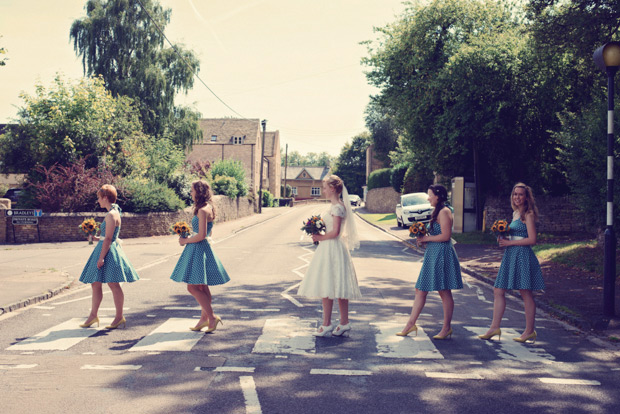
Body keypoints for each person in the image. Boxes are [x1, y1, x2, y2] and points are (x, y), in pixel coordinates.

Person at [479, 183, 544, 343]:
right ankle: (494, 327)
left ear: (527, 197)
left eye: (521, 194)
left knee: (525, 292)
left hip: (522, 255)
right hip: (511, 255)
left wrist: (510, 243)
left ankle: (529, 331)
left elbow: (532, 239)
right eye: (515, 194)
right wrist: (504, 238)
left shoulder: (527, 214)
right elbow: (517, 235)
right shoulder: (515, 213)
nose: (517, 197)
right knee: (498, 290)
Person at [298, 175, 362, 337]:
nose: (323, 190)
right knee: (336, 286)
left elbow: (335, 232)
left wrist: (319, 237)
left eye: (325, 187)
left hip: (332, 248)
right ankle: (343, 323)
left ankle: (328, 324)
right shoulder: (336, 206)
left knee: (330, 285)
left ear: (333, 189)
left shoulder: (337, 208)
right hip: (330, 248)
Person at [396, 184, 463, 340]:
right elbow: (438, 234)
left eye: (430, 195)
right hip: (433, 254)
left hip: (442, 254)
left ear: (438, 196)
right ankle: (410, 324)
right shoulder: (437, 211)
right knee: (420, 289)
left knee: (444, 291)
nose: (428, 198)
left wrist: (426, 238)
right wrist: (425, 239)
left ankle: (446, 328)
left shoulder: (445, 212)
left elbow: (446, 236)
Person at [170, 180, 230, 332]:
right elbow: (208, 232)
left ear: (199, 192)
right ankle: (204, 319)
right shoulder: (208, 208)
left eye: (192, 191)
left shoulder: (202, 210)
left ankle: (212, 317)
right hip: (201, 248)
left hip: (198, 248)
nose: (191, 193)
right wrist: (191, 235)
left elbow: (202, 235)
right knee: (202, 286)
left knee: (192, 287)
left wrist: (185, 240)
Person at [79, 184, 139, 329]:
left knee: (113, 284)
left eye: (99, 198)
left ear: (105, 198)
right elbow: (105, 236)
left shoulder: (112, 214)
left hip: (108, 251)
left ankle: (119, 317)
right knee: (96, 282)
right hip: (105, 248)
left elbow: (109, 238)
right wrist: (96, 237)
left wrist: (101, 258)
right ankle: (93, 316)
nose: (98, 201)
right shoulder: (113, 212)